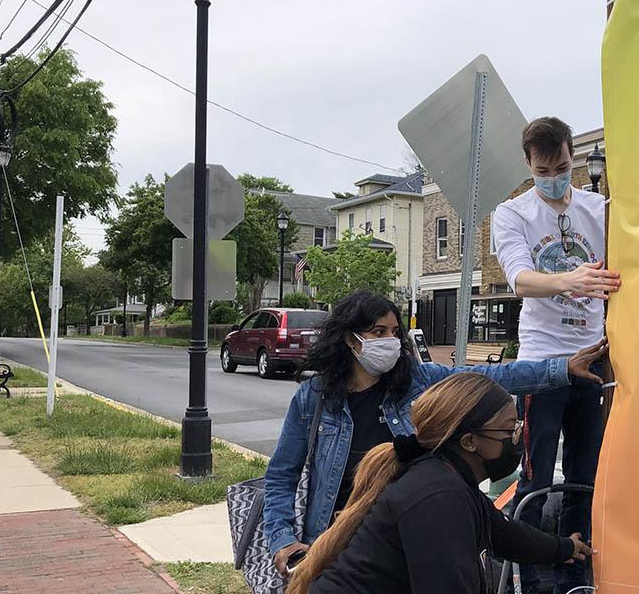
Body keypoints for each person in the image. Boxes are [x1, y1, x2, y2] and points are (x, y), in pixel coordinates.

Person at [263, 291, 607, 577]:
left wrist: (561, 368)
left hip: (404, 541)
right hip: (331, 546)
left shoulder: (416, 382)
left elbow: (488, 378)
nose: (390, 341)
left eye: (395, 332)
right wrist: (283, 540)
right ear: (349, 339)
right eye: (377, 332)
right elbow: (282, 476)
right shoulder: (315, 398)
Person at [287, 372, 593, 594]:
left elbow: (509, 536)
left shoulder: (450, 479)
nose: (517, 439)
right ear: (471, 441)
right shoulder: (439, 496)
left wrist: (566, 547)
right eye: (509, 429)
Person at [490, 116, 620, 593]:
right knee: (536, 479)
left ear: (573, 157)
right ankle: (533, 579)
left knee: (585, 478)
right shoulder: (514, 214)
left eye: (562, 166)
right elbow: (520, 278)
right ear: (529, 164)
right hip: (541, 365)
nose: (555, 177)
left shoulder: (597, 208)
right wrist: (572, 280)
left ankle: (574, 572)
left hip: (592, 357)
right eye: (544, 171)